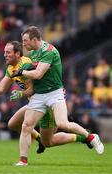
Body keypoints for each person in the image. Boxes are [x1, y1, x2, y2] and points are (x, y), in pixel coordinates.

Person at [0, 41, 92, 156]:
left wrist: (20, 94)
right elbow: (0, 88)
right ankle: (39, 139)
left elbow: (33, 90)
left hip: (46, 103)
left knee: (50, 141)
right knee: (13, 124)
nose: (5, 54)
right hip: (35, 103)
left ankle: (83, 137)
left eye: (8, 52)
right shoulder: (11, 69)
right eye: (5, 52)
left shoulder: (26, 65)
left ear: (17, 54)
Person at [11, 26, 104, 166]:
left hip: (54, 93)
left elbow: (38, 74)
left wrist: (21, 72)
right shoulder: (34, 53)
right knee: (26, 126)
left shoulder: (49, 51)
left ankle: (90, 137)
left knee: (63, 124)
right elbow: (34, 78)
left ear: (35, 39)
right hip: (39, 95)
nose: (23, 43)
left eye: (25, 40)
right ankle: (23, 161)